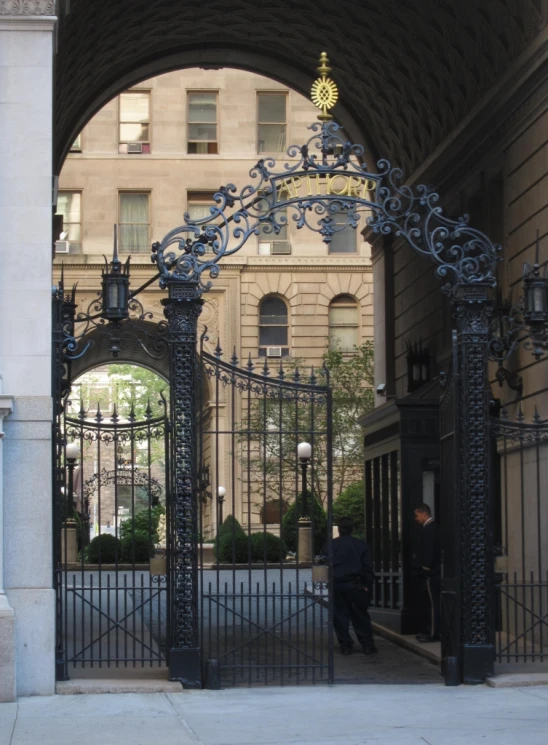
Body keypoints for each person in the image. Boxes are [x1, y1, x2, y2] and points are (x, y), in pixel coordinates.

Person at [327, 516, 377, 656]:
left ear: (339, 529)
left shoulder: (331, 545)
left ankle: (346, 646)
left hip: (337, 584)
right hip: (356, 585)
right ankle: (367, 645)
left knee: (340, 616)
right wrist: (367, 584)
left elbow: (323, 564)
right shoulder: (361, 545)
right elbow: (367, 567)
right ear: (352, 529)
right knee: (360, 616)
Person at [413, 503, 441, 643]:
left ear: (424, 514)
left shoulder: (430, 529)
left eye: (417, 515)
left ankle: (433, 632)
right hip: (430, 572)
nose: (416, 518)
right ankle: (429, 630)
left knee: (432, 603)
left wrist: (426, 568)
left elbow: (428, 551)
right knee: (429, 603)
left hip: (431, 573)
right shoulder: (430, 528)